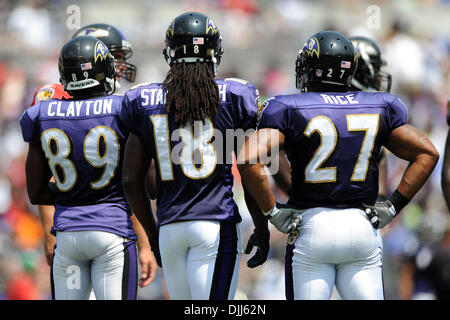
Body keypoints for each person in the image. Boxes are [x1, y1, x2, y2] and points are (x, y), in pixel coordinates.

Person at [237, 30, 439, 300]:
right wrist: (393, 206)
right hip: (362, 229)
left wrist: (271, 212)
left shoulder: (287, 107)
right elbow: (427, 153)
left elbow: (249, 158)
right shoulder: (379, 105)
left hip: (311, 228)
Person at [120, 12, 297, 300]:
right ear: (214, 51)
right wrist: (262, 228)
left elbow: (131, 179)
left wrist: (153, 236)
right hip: (216, 223)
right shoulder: (236, 95)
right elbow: (252, 169)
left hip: (170, 228)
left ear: (170, 53)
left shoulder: (143, 101)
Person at [20, 35, 159, 299]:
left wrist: (73, 195)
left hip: (67, 238)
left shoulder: (44, 113)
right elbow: (145, 183)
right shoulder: (123, 107)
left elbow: (36, 193)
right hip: (112, 232)